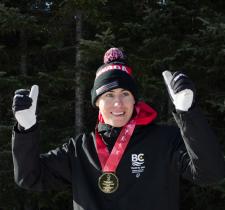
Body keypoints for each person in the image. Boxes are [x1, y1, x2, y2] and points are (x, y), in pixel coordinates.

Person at [12, 48, 225, 210]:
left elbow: (211, 173)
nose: (118, 104)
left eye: (125, 94)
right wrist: (26, 130)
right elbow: (30, 177)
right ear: (97, 103)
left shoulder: (165, 140)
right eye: (109, 95)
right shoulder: (79, 149)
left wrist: (189, 113)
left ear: (135, 100)